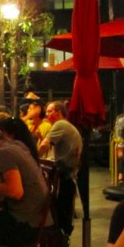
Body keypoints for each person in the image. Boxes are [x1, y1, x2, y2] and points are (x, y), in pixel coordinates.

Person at [38, 101, 83, 237]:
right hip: (68, 174)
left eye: (49, 111)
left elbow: (44, 145)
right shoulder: (67, 125)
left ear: (58, 112)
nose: (46, 114)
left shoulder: (60, 124)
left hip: (62, 175)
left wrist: (32, 159)